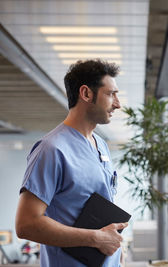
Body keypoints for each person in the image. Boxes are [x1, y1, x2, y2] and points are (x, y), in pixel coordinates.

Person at [15, 59, 128, 267]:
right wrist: (96, 238)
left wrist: (116, 248)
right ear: (86, 94)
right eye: (111, 94)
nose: (118, 103)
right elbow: (26, 225)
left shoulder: (101, 145)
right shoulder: (51, 149)